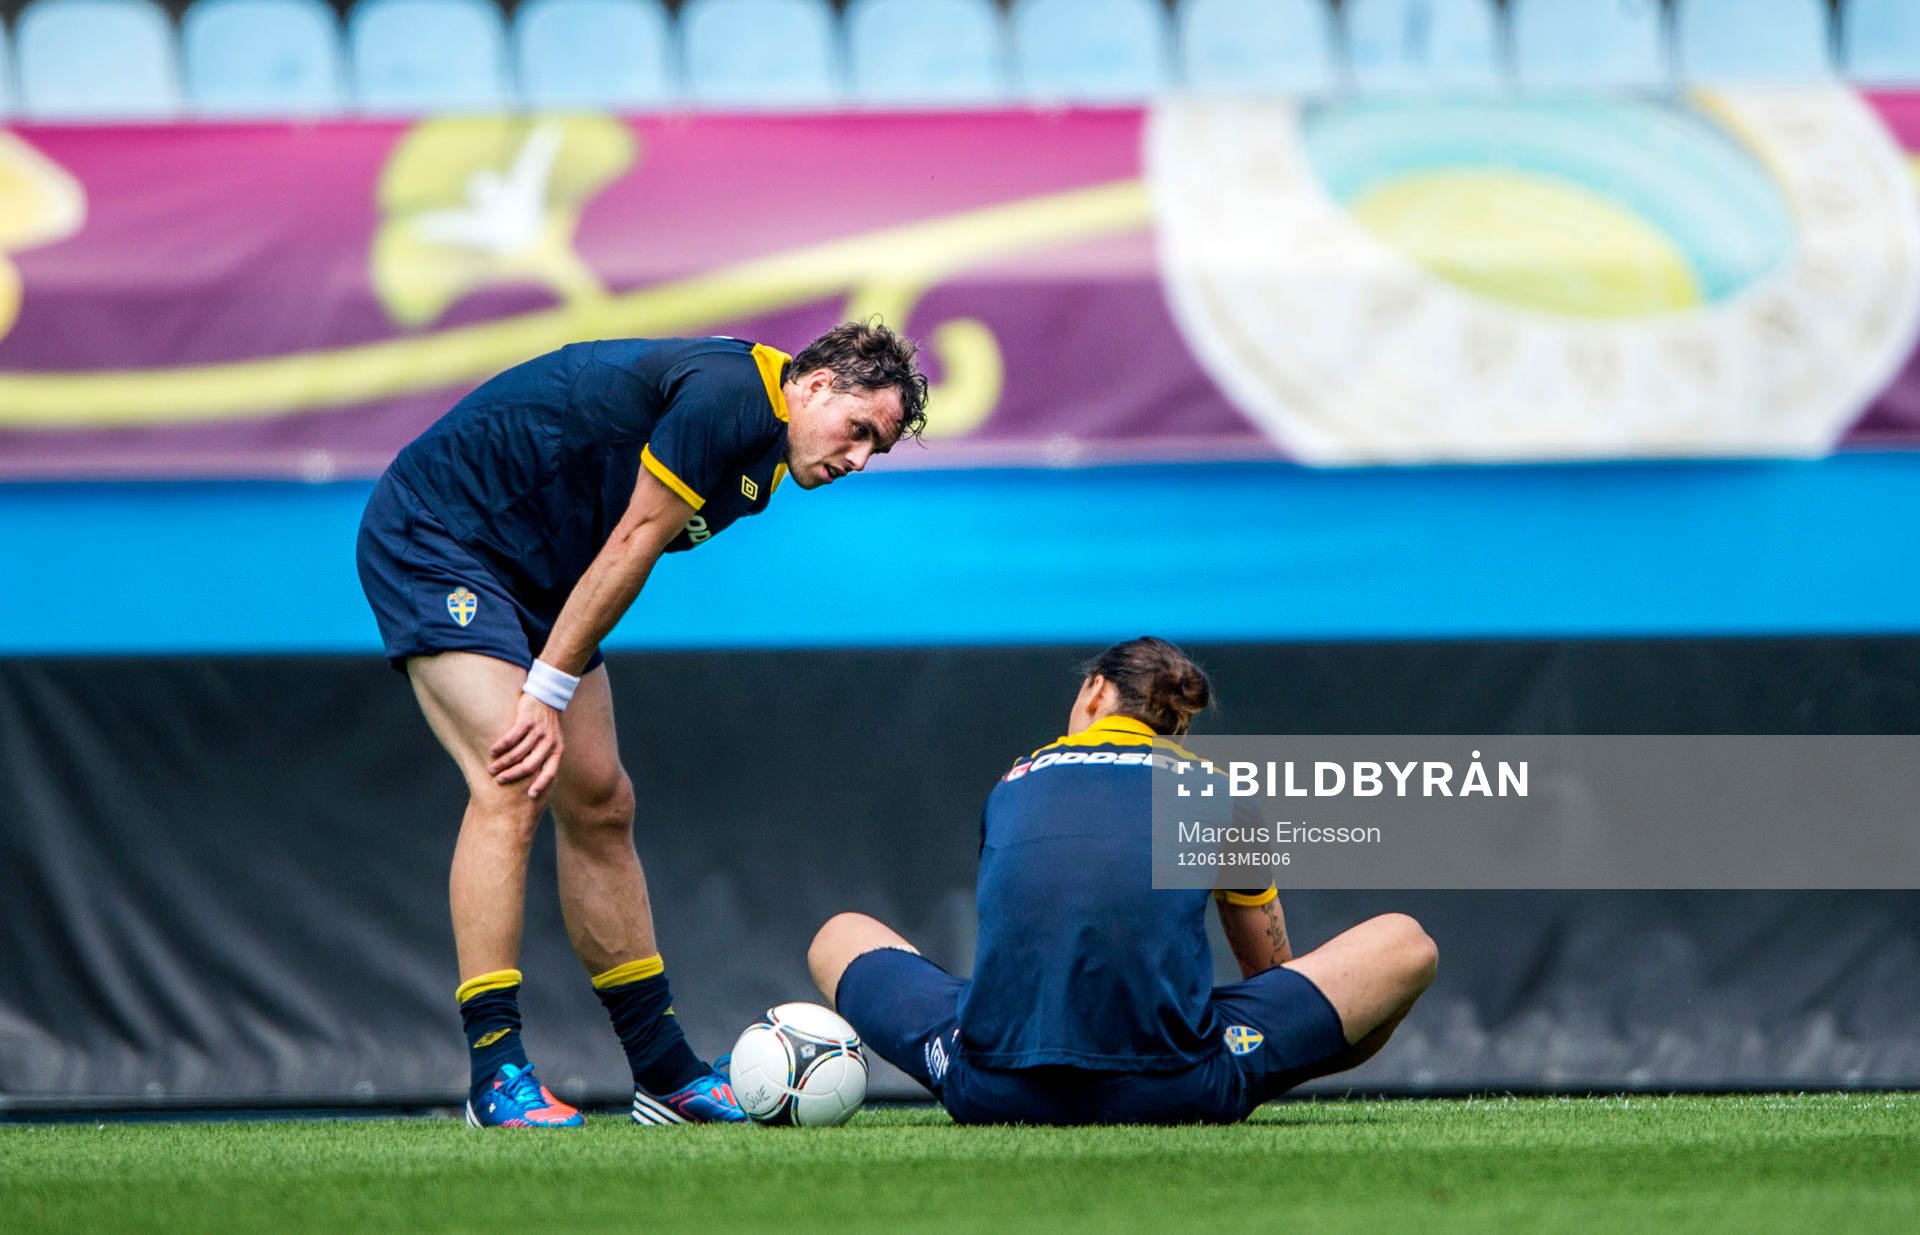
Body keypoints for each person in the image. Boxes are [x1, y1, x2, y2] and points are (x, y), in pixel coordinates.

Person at [356, 323, 928, 1129]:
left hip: (541, 572)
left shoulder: (768, 454)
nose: (859, 460)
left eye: (878, 449)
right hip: (441, 535)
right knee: (512, 777)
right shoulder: (731, 395)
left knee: (600, 799)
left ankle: (663, 1072)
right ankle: (494, 1071)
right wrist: (545, 688)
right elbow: (635, 539)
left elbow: (618, 538)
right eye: (858, 430)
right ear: (816, 385)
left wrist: (551, 674)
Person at [807, 637, 1437, 1125]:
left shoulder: (1015, 780)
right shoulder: (1214, 791)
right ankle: (1227, 1073)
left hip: (991, 1086)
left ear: (1095, 689)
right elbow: (1270, 976)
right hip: (1177, 1086)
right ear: (1177, 726)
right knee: (1406, 942)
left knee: (839, 935)